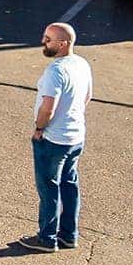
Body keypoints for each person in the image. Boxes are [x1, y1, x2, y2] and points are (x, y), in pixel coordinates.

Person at [20, 23, 92, 252]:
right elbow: (87, 97)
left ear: (63, 43)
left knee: (49, 189)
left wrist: (40, 129)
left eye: (48, 39)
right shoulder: (81, 64)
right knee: (69, 185)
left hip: (53, 140)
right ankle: (69, 235)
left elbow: (47, 108)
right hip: (76, 137)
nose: (44, 41)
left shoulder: (55, 71)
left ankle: (46, 238)